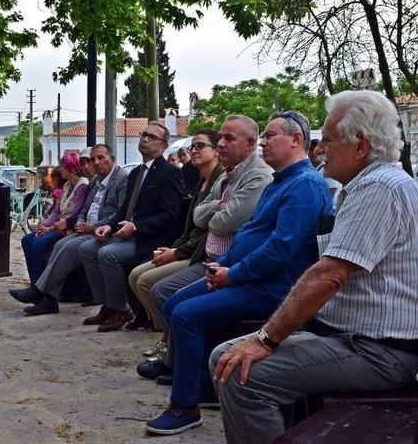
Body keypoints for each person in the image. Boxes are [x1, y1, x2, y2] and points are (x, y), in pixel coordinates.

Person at [210, 90, 418, 444]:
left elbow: (329, 275)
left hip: (377, 353)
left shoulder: (379, 188)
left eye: (328, 141)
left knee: (241, 373)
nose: (318, 150)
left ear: (361, 145)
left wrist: (265, 339)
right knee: (226, 358)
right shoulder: (370, 184)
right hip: (358, 340)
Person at [142, 110, 333, 435]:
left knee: (186, 314)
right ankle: (201, 385)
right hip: (247, 276)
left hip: (272, 288)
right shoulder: (280, 181)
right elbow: (249, 235)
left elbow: (281, 249)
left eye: (270, 135)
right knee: (174, 303)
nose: (263, 142)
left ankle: (185, 405)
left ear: (296, 140)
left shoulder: (304, 185)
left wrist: (233, 272)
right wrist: (225, 263)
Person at [142, 115, 274, 364]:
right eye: (193, 146)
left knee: (170, 299)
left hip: (225, 264)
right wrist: (217, 206)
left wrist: (179, 249)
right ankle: (176, 359)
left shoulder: (258, 176)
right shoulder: (224, 176)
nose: (222, 144)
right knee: (157, 289)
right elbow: (198, 217)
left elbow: (223, 224)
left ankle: (180, 363)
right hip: (206, 257)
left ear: (250, 143)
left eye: (227, 139)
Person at [79, 122, 185, 332]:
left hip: (151, 238)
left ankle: (121, 309)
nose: (145, 139)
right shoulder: (136, 172)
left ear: (164, 146)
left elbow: (170, 215)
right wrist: (108, 226)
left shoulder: (169, 173)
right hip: (127, 233)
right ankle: (108, 305)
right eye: (144, 135)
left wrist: (136, 226)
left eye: (152, 137)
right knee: (87, 248)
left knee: (108, 254)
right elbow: (124, 209)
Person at [9, 144, 129, 315]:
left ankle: (40, 292)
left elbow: (120, 212)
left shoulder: (121, 179)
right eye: (93, 159)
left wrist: (92, 226)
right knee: (58, 245)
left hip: (102, 231)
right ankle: (49, 299)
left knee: (68, 247)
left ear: (113, 159)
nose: (96, 163)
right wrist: (81, 223)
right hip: (84, 228)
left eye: (100, 158)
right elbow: (84, 209)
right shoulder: (95, 181)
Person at [128, 129, 223, 332]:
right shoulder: (201, 180)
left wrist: (176, 252)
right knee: (136, 275)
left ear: (216, 151)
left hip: (203, 254)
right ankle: (162, 331)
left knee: (146, 282)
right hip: (186, 246)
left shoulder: (221, 180)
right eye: (192, 147)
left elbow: (209, 229)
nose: (194, 151)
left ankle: (167, 336)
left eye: (200, 146)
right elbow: (190, 226)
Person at [21, 153, 89, 286]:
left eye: (62, 166)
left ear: (69, 167)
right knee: (26, 240)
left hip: (67, 228)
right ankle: (35, 282)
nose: (60, 169)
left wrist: (48, 229)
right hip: (57, 226)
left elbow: (75, 214)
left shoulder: (83, 186)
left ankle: (42, 285)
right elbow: (57, 211)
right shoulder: (67, 185)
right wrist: (44, 225)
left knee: (38, 245)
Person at [308, 137, 342, 203]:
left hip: (331, 210)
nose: (314, 152)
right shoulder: (310, 169)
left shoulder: (328, 169)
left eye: (316, 149)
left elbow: (329, 196)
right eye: (311, 149)